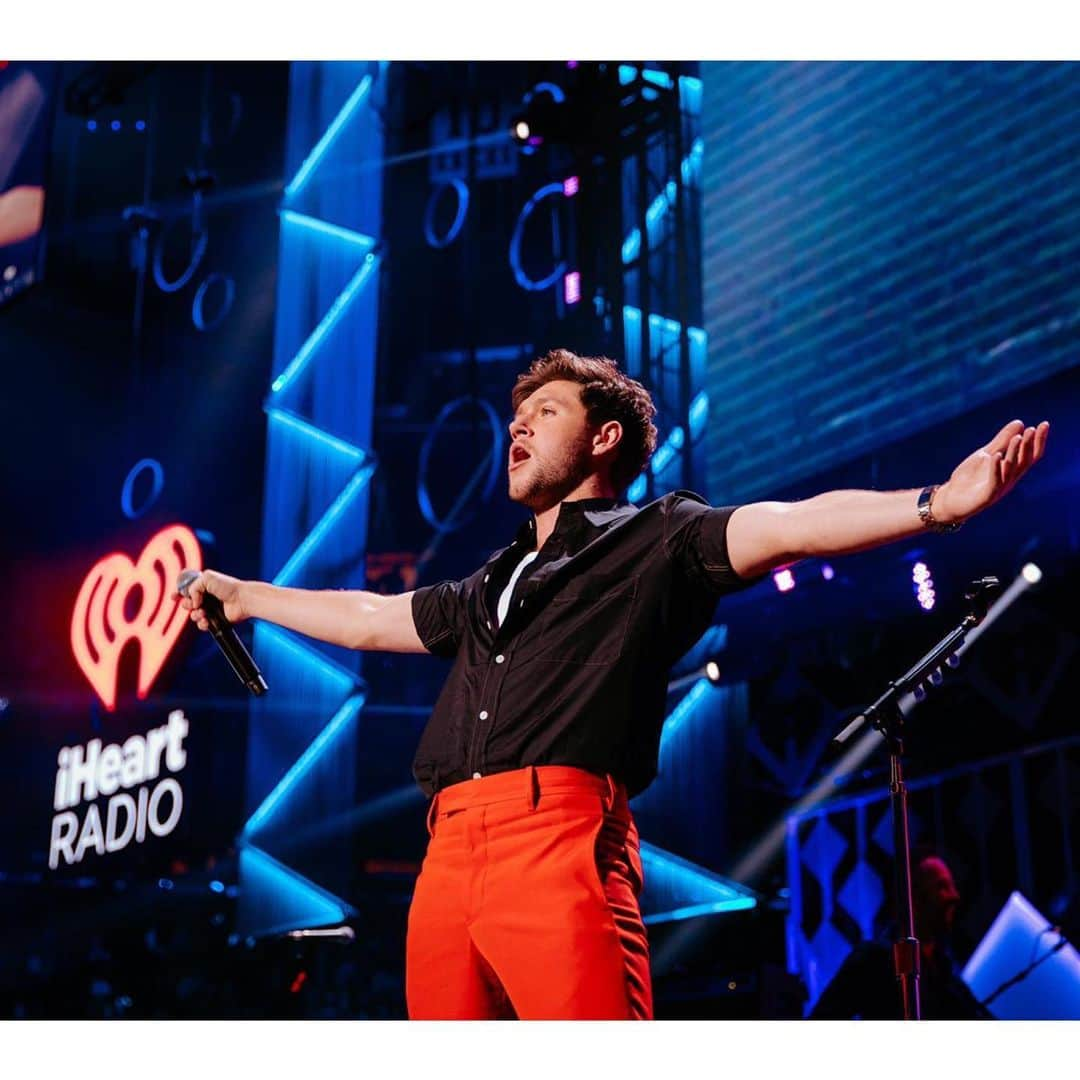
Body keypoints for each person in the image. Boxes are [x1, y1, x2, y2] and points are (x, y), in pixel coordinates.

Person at [176, 349, 1049, 1020]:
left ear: (603, 439)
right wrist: (247, 596)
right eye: (514, 417)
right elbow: (370, 618)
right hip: (446, 856)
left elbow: (790, 527)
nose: (514, 428)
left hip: (558, 842)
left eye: (543, 412)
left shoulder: (658, 536)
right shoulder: (491, 580)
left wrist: (938, 502)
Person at [809, 849, 992, 1019]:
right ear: (912, 898)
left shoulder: (944, 969)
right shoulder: (874, 960)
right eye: (942, 887)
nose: (955, 896)